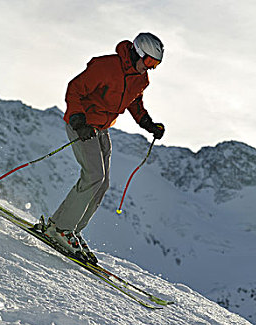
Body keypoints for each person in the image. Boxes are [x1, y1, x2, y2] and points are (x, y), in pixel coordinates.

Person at [39, 33, 165, 263]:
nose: (151, 68)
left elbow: (134, 102)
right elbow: (75, 88)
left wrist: (147, 123)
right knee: (94, 176)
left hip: (102, 128)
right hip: (83, 124)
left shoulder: (141, 79)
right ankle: (61, 230)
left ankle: (68, 229)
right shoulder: (105, 66)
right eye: (149, 62)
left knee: (102, 183)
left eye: (155, 65)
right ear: (138, 52)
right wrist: (78, 118)